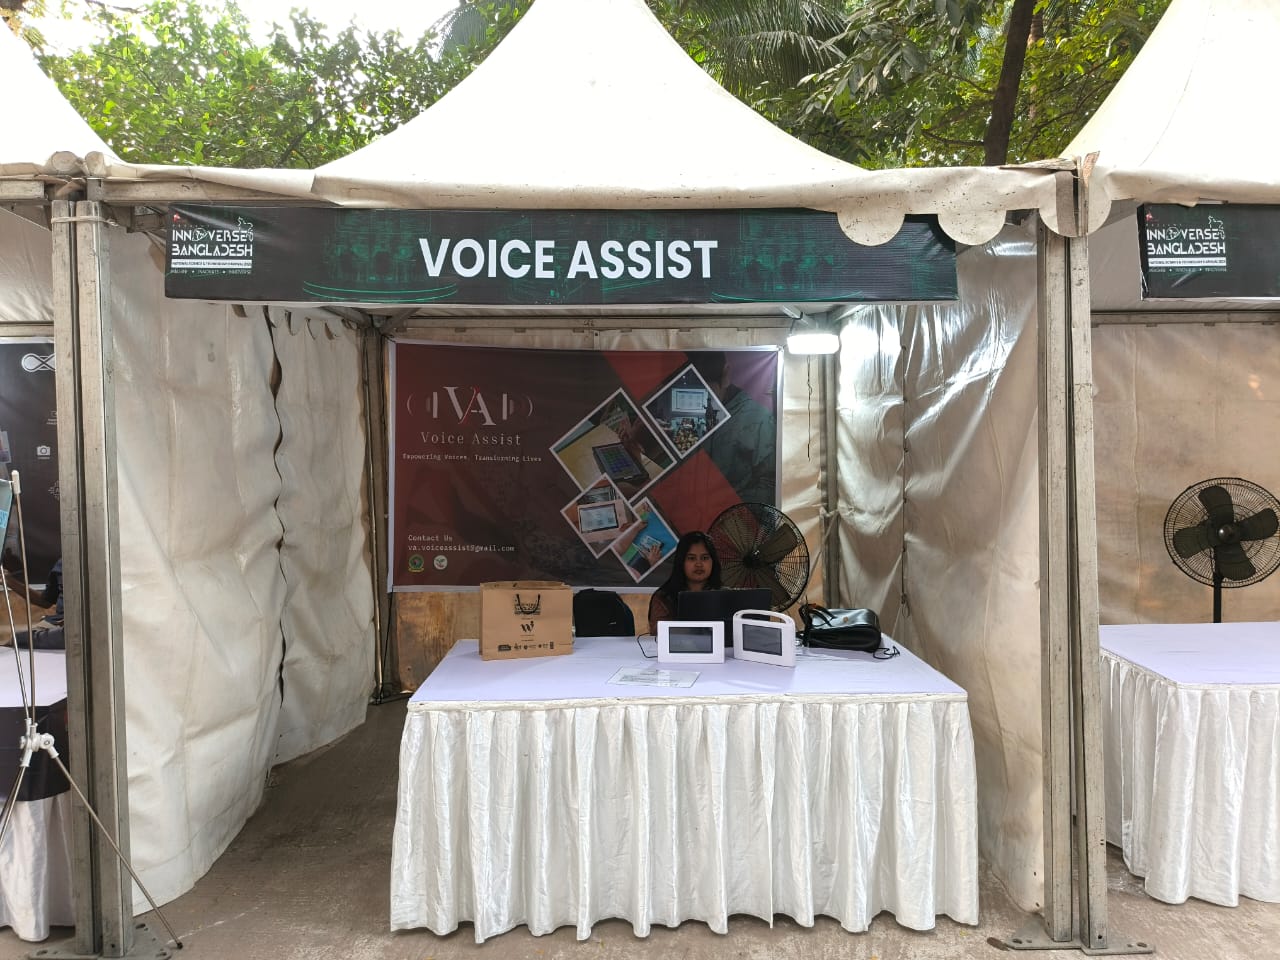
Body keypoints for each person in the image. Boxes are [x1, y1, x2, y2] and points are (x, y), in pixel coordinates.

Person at [690, 351, 778, 505]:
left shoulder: (759, 420)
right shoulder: (692, 414)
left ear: (726, 374)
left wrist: (731, 509)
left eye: (707, 393)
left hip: (734, 514)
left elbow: (770, 484)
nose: (701, 402)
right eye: (694, 393)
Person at [646, 530, 722, 635]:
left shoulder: (723, 595)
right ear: (681, 562)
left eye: (705, 558)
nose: (699, 564)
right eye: (691, 558)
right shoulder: (664, 598)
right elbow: (660, 635)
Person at [2, 556, 64, 649]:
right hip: (57, 626)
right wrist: (10, 582)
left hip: (76, 628)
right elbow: (45, 601)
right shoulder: (61, 564)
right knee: (16, 638)